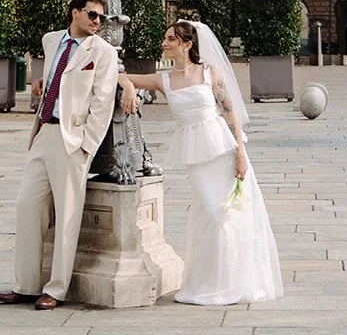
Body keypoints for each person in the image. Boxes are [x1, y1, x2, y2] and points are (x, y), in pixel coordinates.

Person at [119, 19, 282, 306]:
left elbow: (230, 112)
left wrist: (240, 155)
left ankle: (234, 283)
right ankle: (208, 283)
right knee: (207, 215)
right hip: (195, 154)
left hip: (223, 149)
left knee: (228, 215)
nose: (165, 43)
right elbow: (120, 76)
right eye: (165, 38)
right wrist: (128, 88)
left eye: (171, 39)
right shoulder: (163, 78)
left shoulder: (209, 73)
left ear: (187, 44)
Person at [0, 0, 119, 311]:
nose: (98, 22)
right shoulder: (51, 40)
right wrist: (42, 84)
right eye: (93, 15)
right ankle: (26, 285)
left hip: (72, 139)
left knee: (67, 215)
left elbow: (102, 104)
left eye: (102, 18)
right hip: (43, 131)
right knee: (27, 207)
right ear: (75, 13)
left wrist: (85, 146)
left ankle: (56, 289)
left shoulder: (102, 51)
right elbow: (58, 76)